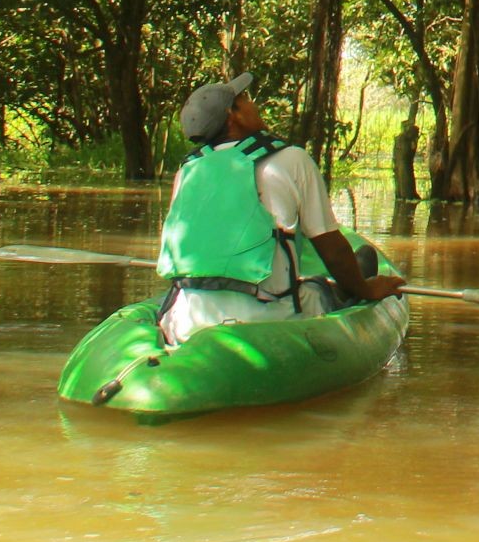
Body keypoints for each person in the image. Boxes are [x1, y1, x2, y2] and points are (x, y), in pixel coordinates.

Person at [154, 73, 403, 348]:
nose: (253, 105)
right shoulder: (290, 159)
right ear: (232, 115)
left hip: (184, 320)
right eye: (245, 100)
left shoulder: (187, 170)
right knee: (324, 288)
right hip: (265, 320)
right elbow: (331, 249)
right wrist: (367, 289)